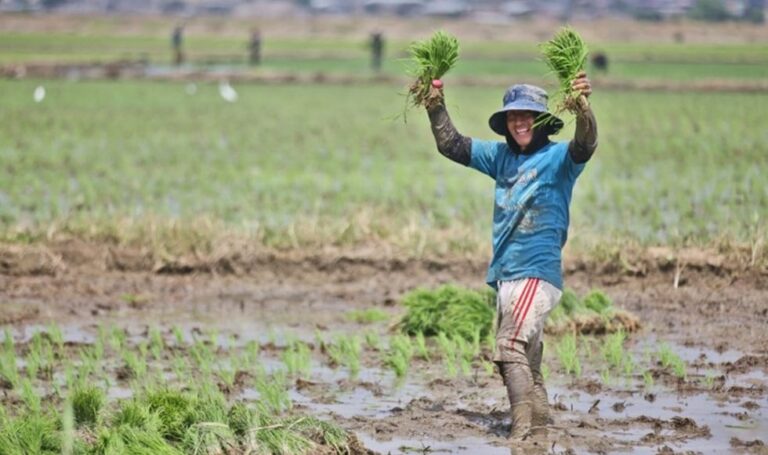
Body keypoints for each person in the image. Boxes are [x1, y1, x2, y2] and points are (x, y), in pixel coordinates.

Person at [423, 73, 596, 439]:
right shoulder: (499, 157)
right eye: (513, 117)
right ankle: (540, 431)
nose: (520, 122)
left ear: (542, 121)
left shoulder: (560, 157)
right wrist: (434, 103)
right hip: (507, 274)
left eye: (527, 115)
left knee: (509, 346)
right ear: (506, 123)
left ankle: (519, 436)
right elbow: (451, 145)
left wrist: (584, 108)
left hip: (537, 272)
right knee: (524, 363)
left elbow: (586, 144)